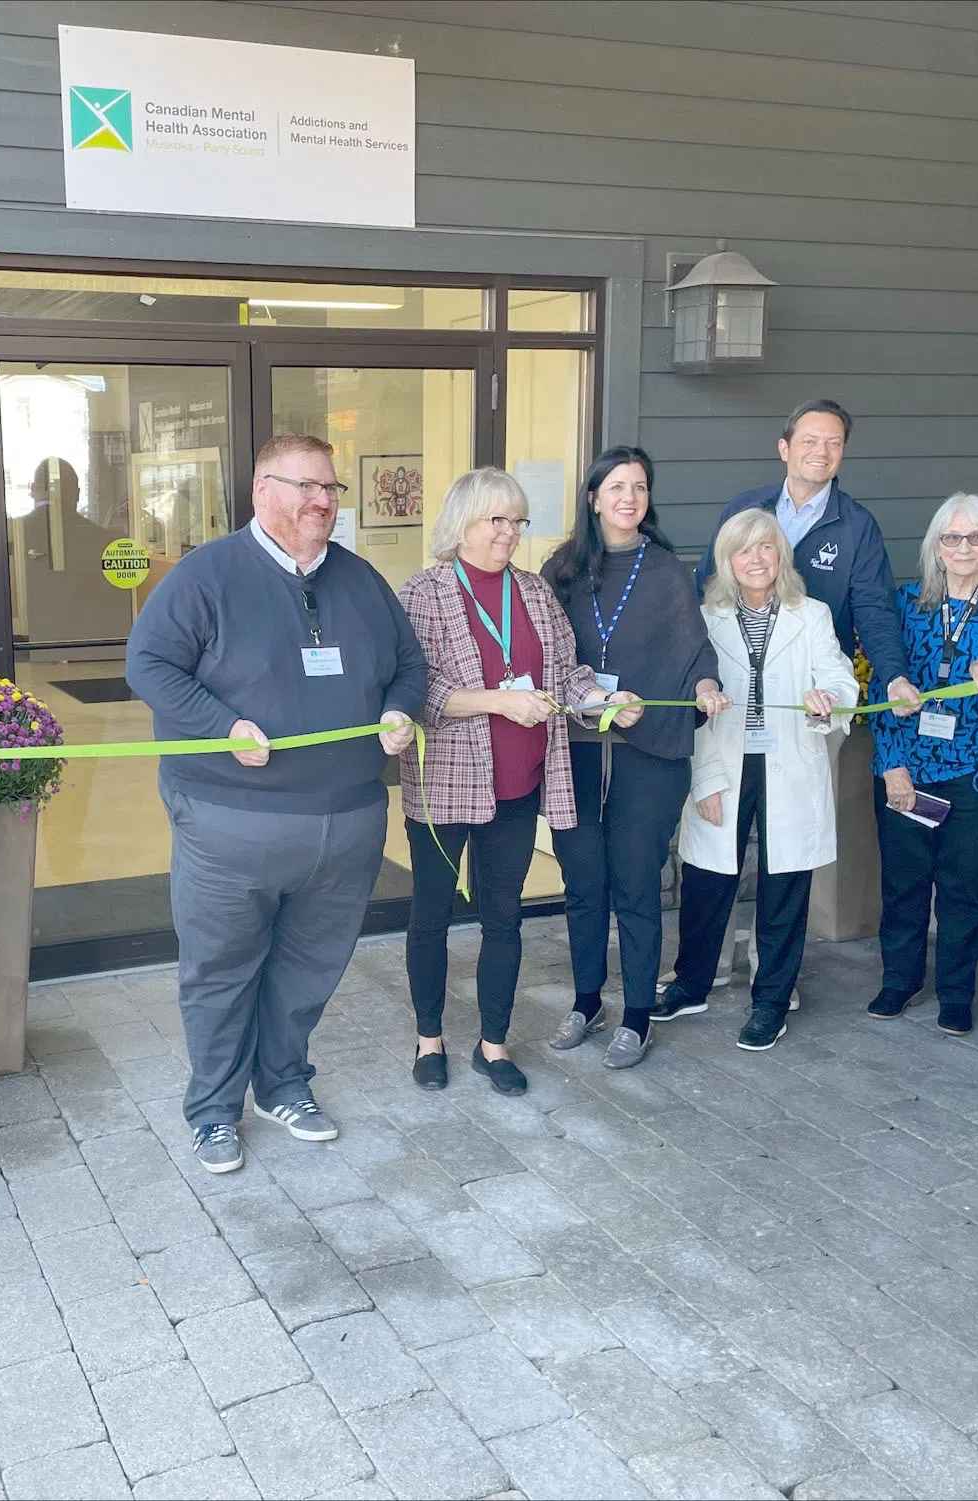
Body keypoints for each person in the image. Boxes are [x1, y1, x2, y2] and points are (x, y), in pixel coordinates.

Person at [126, 434, 424, 1174]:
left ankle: (283, 1083)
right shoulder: (207, 575)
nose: (323, 501)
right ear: (263, 490)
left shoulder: (360, 580)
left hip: (348, 820)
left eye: (332, 488)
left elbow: (411, 663)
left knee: (310, 966)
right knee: (222, 971)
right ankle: (214, 1111)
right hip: (231, 822)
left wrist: (399, 707)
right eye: (307, 486)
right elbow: (149, 663)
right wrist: (220, 726)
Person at [397, 468, 621, 1095]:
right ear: (461, 522)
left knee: (504, 917)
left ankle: (493, 1045)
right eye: (496, 519)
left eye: (517, 520)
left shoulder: (535, 592)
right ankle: (429, 1039)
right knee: (431, 916)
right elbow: (419, 687)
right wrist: (498, 701)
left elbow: (567, 675)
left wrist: (604, 698)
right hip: (446, 785)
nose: (509, 532)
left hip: (518, 784)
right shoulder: (425, 592)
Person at [541, 447, 727, 1068]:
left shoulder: (669, 571)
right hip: (577, 749)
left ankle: (639, 1014)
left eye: (640, 487)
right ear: (593, 497)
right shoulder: (559, 571)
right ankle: (588, 999)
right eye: (616, 486)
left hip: (650, 753)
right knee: (584, 884)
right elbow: (546, 655)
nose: (629, 498)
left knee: (637, 885)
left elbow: (694, 651)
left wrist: (704, 688)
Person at [670, 509, 858, 1051]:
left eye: (767, 548)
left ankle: (771, 1000)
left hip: (790, 763)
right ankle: (692, 983)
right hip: (725, 763)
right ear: (727, 560)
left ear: (782, 556)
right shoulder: (704, 617)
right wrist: (704, 780)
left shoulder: (813, 614)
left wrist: (829, 702)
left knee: (783, 886)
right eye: (743, 550)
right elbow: (694, 706)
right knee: (707, 881)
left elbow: (839, 678)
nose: (756, 559)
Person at [868, 494, 978, 1035]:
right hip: (911, 771)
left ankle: (957, 992)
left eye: (976, 537)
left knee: (963, 889)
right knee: (903, 884)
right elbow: (881, 688)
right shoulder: (907, 604)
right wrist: (892, 765)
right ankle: (900, 980)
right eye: (952, 538)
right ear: (936, 547)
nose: (963, 548)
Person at [695, 399, 919, 716]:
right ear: (784, 449)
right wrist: (695, 672)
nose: (821, 452)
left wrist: (894, 676)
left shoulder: (857, 525)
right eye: (809, 441)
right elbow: (706, 584)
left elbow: (874, 608)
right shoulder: (745, 509)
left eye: (833, 443)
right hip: (735, 680)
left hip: (818, 688)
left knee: (809, 764)